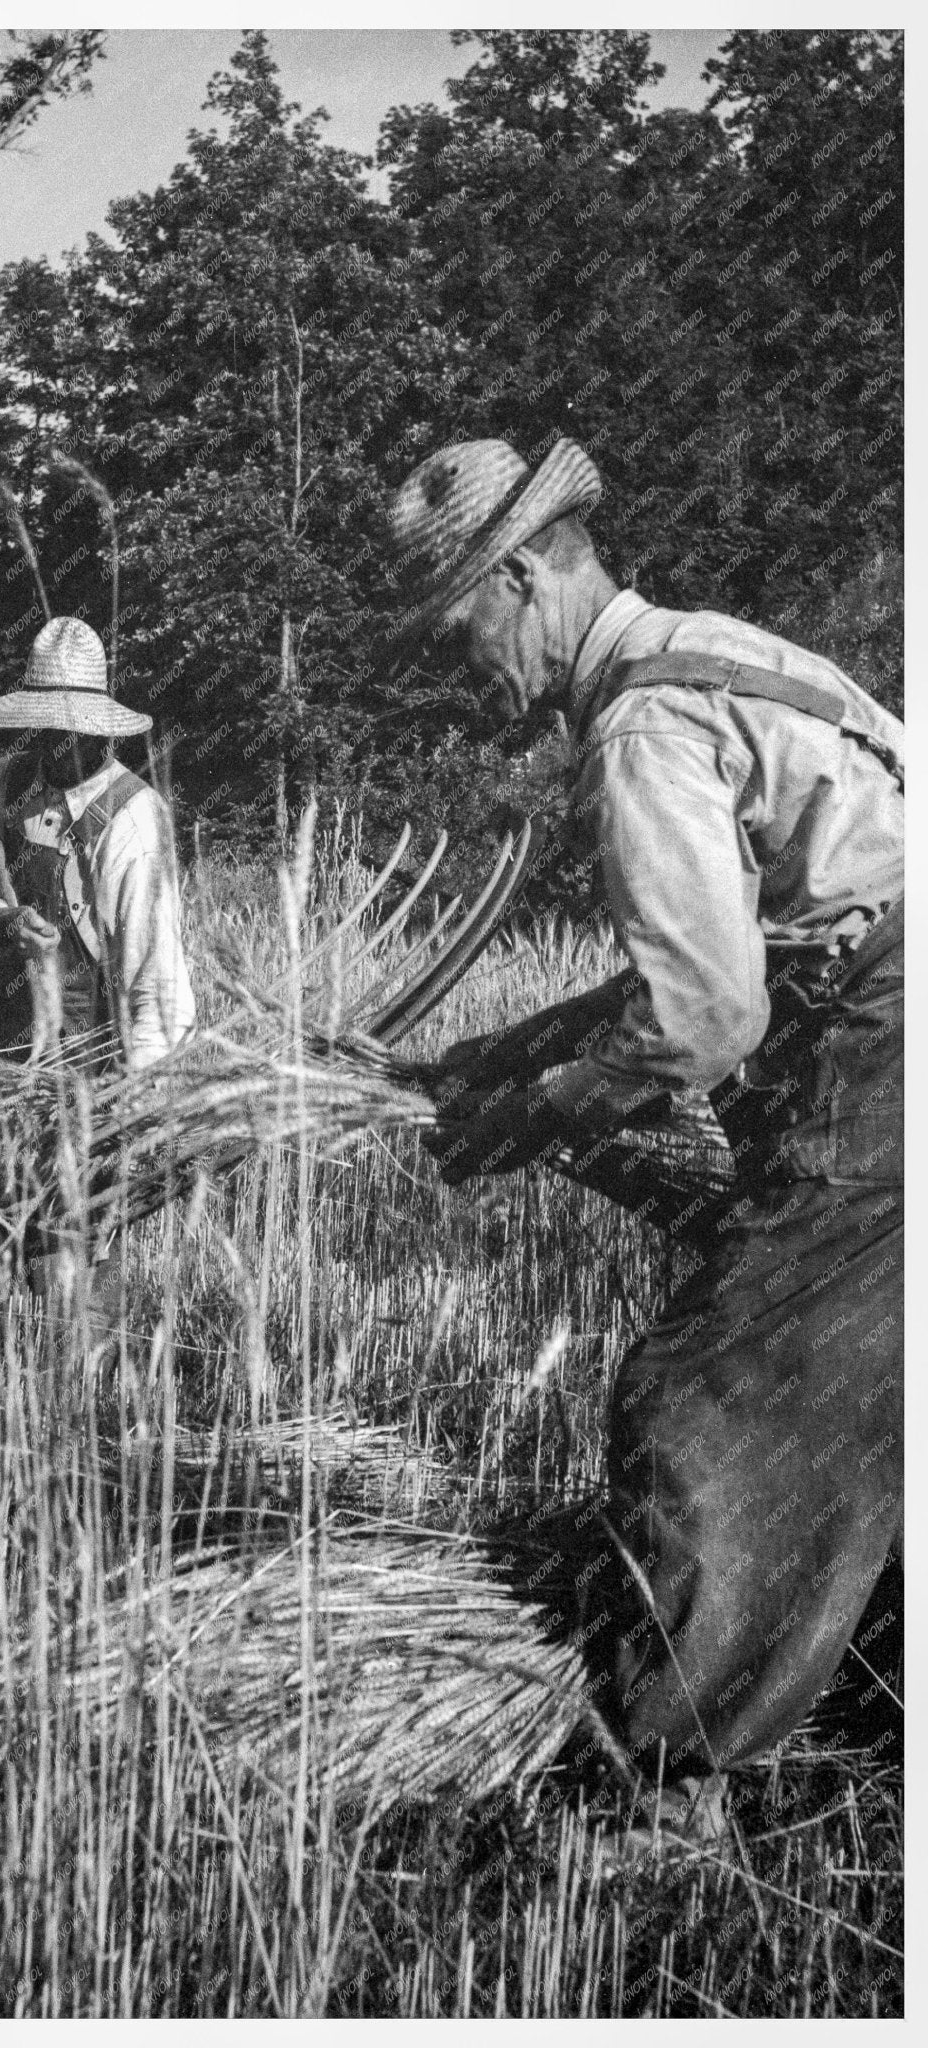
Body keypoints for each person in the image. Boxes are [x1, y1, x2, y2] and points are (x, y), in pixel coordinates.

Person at [381, 436, 903, 1831]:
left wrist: (537, 1111)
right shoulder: (714, 653)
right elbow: (746, 943)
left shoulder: (639, 728)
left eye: (456, 631)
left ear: (518, 576)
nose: (462, 671)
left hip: (887, 1044)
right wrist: (519, 1047)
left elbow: (702, 1016)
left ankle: (666, 1791)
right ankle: (873, 1692)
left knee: (718, 1394)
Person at [0, 615, 196, 1337]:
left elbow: (156, 980)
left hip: (88, 1071)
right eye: (45, 727)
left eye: (70, 729)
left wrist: (140, 1107)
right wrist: (2, 923)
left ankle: (90, 1381)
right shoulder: (6, 783)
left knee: (78, 1249)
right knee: (2, 1235)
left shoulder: (133, 821)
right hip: (8, 1057)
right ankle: (3, 1378)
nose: (55, 742)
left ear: (100, 729)